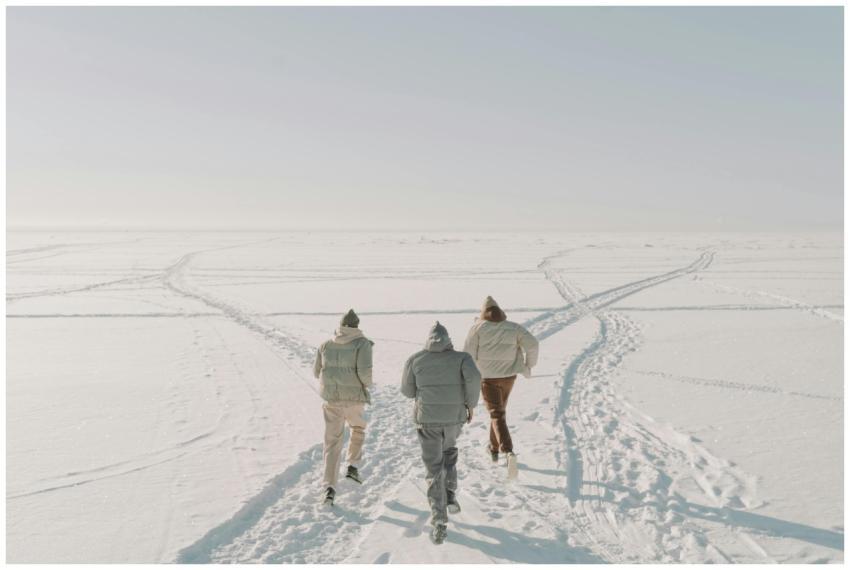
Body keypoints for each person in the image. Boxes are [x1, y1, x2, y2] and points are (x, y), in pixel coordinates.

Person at [401, 321, 481, 545]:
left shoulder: (415, 359)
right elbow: (474, 378)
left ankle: (439, 520)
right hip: (454, 418)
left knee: (433, 467)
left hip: (427, 421)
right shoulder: (462, 358)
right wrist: (470, 404)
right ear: (448, 341)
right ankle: (451, 493)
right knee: (449, 451)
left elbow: (407, 391)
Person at [463, 296, 539, 477]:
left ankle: (508, 451)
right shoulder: (514, 328)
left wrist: (469, 376)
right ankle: (493, 448)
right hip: (509, 376)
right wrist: (529, 366)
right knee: (499, 412)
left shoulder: (477, 328)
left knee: (496, 413)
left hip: (487, 378)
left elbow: (468, 355)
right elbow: (533, 344)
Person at [313, 309, 373, 505]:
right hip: (354, 399)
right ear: (356, 326)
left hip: (332, 401)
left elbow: (316, 372)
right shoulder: (362, 344)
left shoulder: (325, 344)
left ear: (340, 326)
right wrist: (367, 385)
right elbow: (365, 373)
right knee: (358, 427)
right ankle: (352, 466)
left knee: (332, 443)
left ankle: (329, 487)